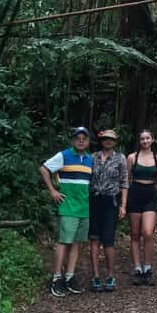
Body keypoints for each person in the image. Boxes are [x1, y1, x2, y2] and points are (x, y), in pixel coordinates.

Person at [39, 126, 93, 297]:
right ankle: (56, 278)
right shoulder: (64, 155)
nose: (81, 140)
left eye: (84, 137)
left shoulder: (90, 160)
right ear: (73, 139)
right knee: (64, 242)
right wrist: (52, 191)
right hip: (68, 206)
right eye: (78, 137)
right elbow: (44, 169)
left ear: (88, 141)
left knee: (77, 243)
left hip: (84, 207)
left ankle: (69, 276)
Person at [88, 128, 128, 293]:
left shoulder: (120, 158)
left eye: (111, 139)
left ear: (115, 142)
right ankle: (96, 276)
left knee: (109, 240)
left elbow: (124, 182)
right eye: (105, 139)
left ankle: (110, 275)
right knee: (94, 239)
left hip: (111, 201)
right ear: (101, 140)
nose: (108, 141)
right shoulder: (93, 157)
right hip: (94, 201)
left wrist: (123, 205)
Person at [126, 129, 157, 286]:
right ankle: (137, 269)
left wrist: (151, 192)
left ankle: (147, 267)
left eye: (148, 138)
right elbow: (127, 178)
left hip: (150, 195)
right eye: (142, 139)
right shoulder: (132, 157)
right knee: (135, 234)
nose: (145, 141)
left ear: (152, 140)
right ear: (139, 141)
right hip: (134, 193)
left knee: (147, 232)